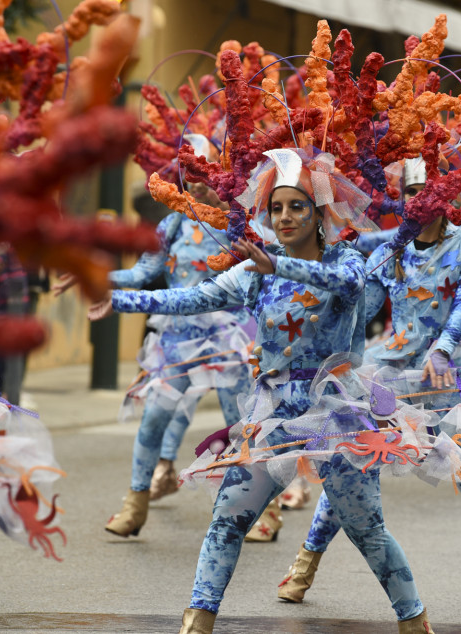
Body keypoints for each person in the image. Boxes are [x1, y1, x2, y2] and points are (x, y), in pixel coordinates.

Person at [91, 148, 437, 634]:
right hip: (272, 413)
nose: (285, 217)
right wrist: (119, 298)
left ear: (319, 212)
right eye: (276, 208)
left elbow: (343, 281)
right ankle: (197, 621)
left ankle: (414, 621)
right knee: (227, 519)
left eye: (297, 206)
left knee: (366, 530)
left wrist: (279, 267)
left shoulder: (344, 263)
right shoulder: (258, 268)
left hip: (335, 414)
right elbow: (194, 296)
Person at [276, 156, 461, 614]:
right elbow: (362, 309)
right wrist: (317, 332)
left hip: (448, 377)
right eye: (410, 193)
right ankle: (305, 563)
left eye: (426, 191)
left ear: (446, 195)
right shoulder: (391, 250)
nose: (418, 201)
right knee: (351, 463)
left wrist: (443, 348)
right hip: (390, 373)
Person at [62, 134, 253, 537]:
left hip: (225, 338)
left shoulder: (236, 222)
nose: (197, 184)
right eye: (189, 175)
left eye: (204, 174)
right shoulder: (172, 224)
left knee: (239, 426)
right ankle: (136, 504)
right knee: (153, 420)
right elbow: (143, 273)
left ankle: (258, 510)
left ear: (219, 173)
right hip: (175, 339)